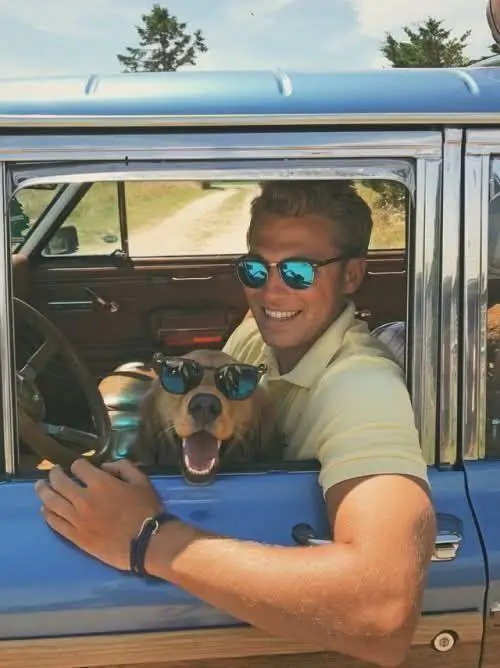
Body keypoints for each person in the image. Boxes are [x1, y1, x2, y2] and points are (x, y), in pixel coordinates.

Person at [35, 180, 436, 667]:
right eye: (255, 268)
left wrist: (147, 540)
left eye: (299, 271)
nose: (271, 290)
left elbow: (383, 613)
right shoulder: (261, 332)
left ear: (351, 275)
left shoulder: (363, 390)